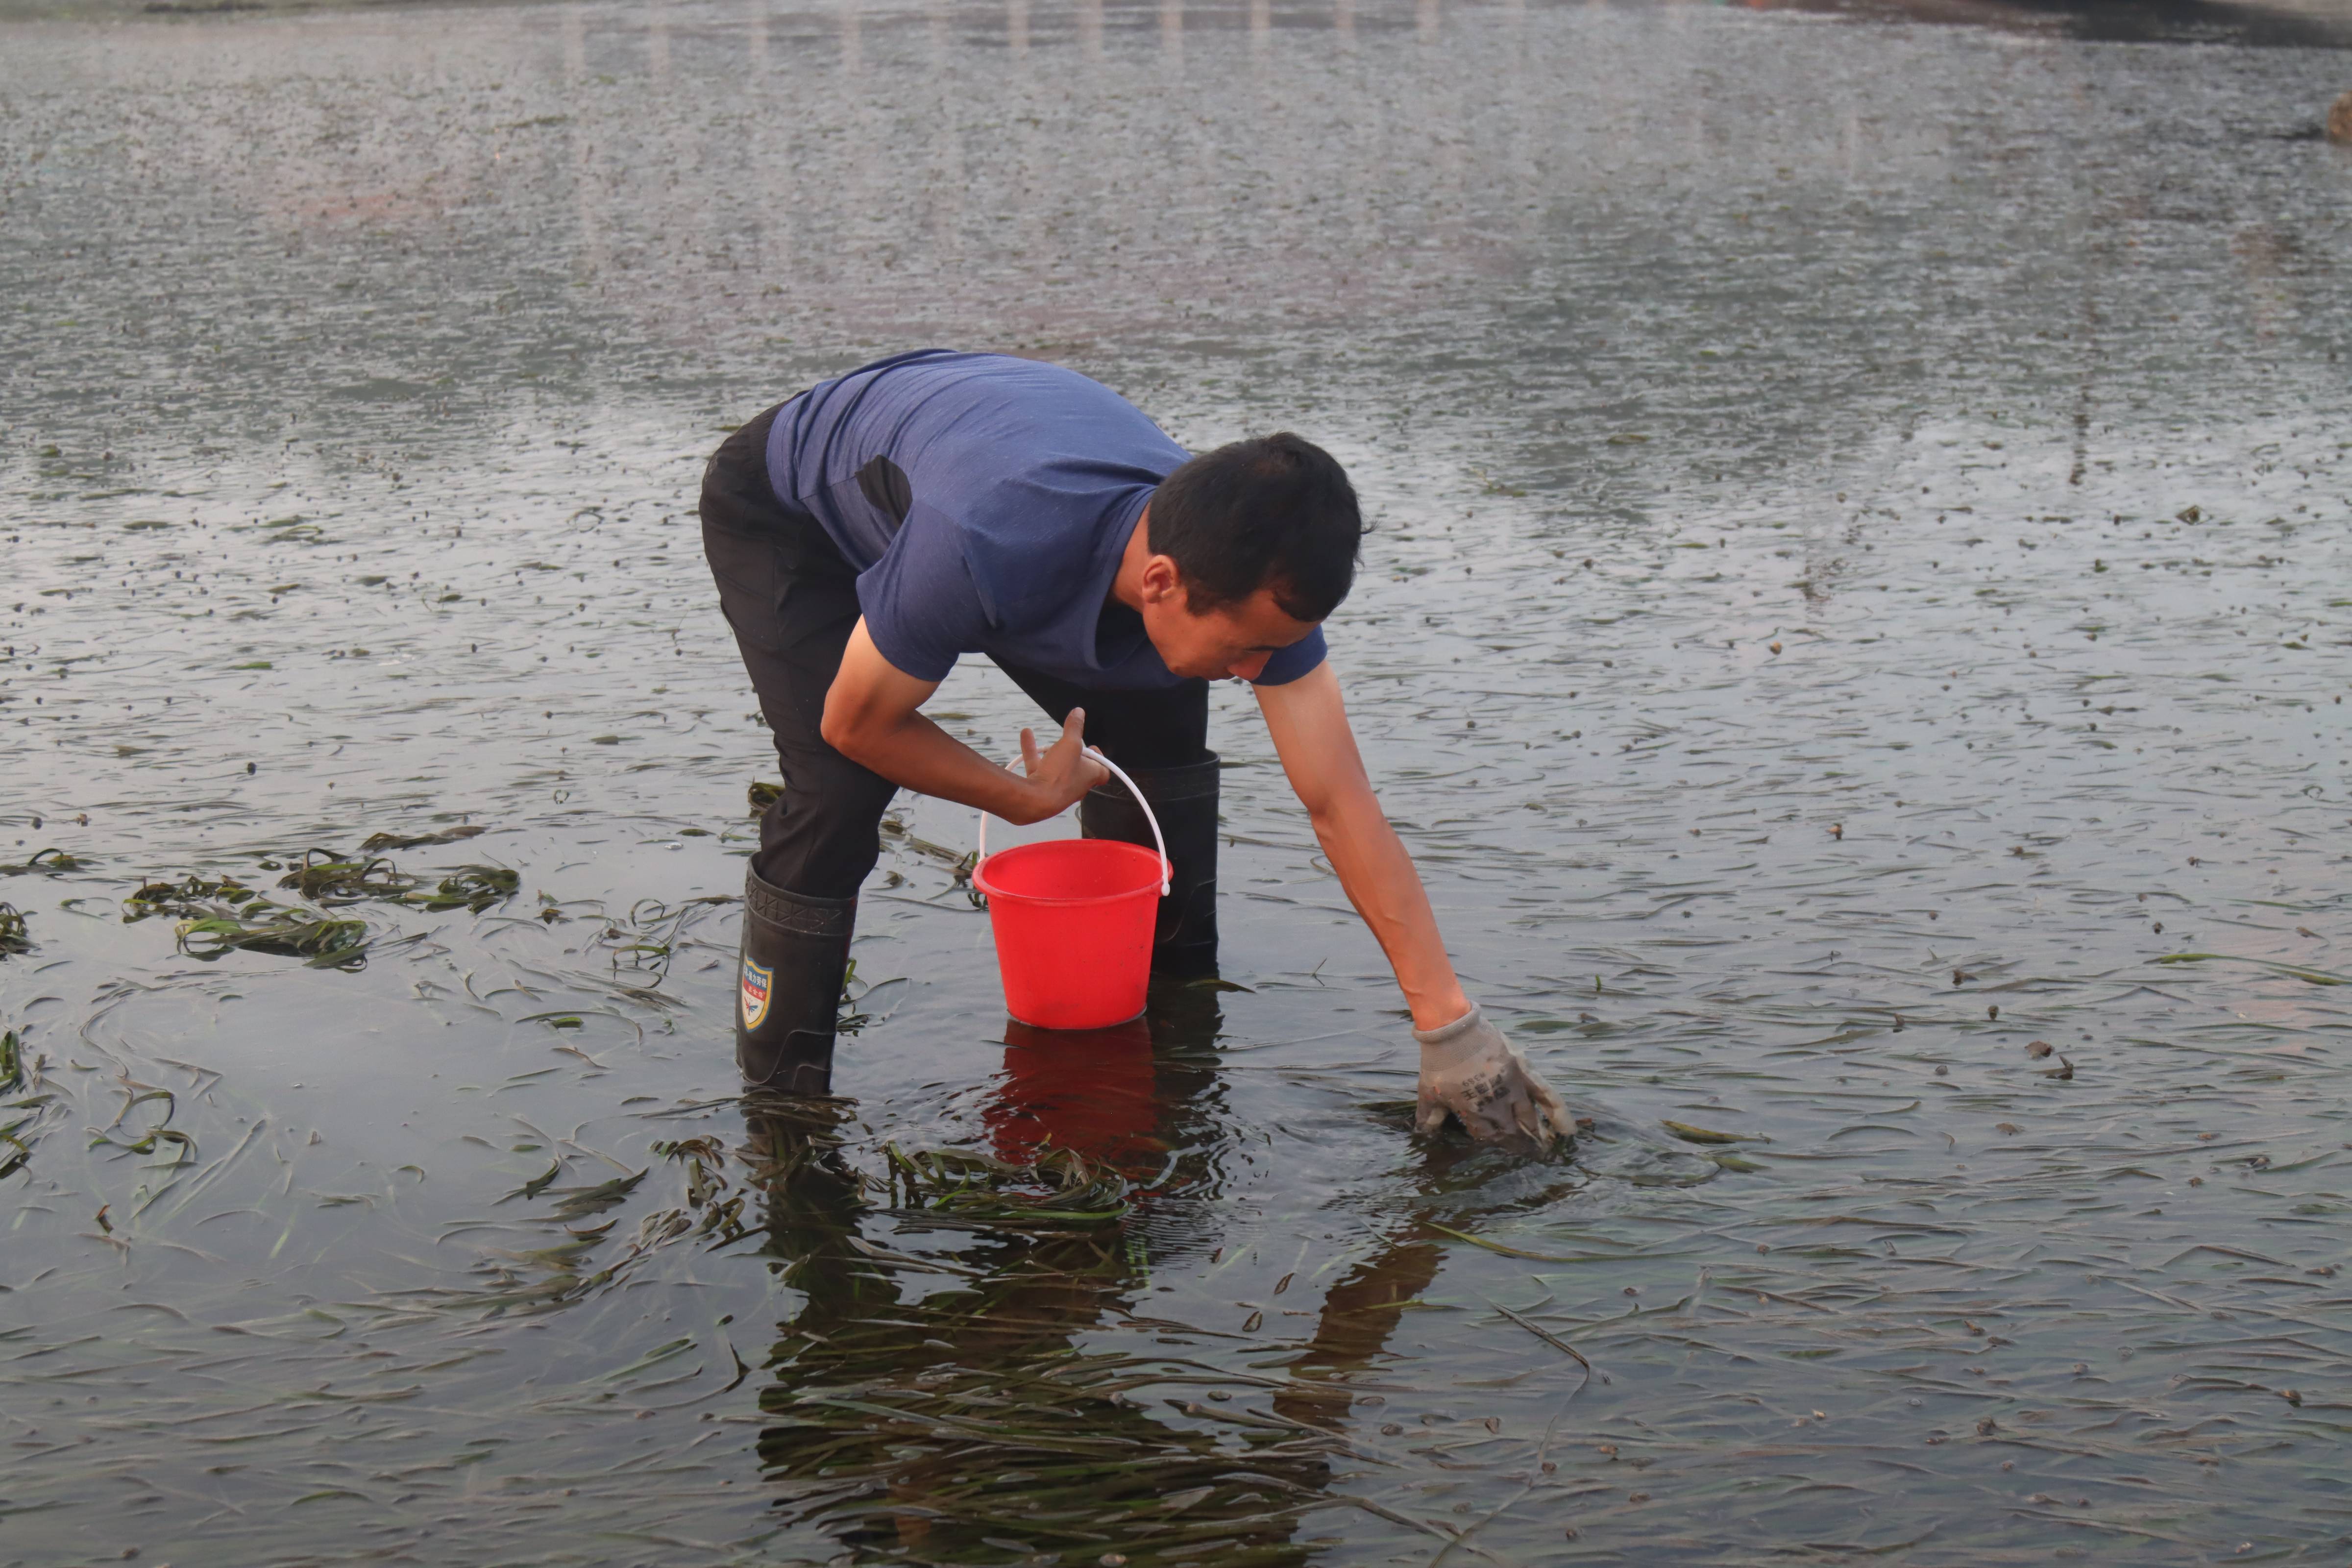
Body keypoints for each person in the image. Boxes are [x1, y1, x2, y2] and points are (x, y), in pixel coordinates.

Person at [699, 348, 1564, 1147]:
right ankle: (783, 1114)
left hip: (1002, 452)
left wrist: (1451, 1027)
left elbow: (1338, 801)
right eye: (1243, 651)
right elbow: (858, 723)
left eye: (1273, 648)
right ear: (1162, 582)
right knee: (840, 789)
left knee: (1161, 728)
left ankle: (1169, 1053)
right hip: (794, 513)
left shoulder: (1258, 571)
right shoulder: (985, 541)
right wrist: (1020, 799)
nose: (1257, 672)